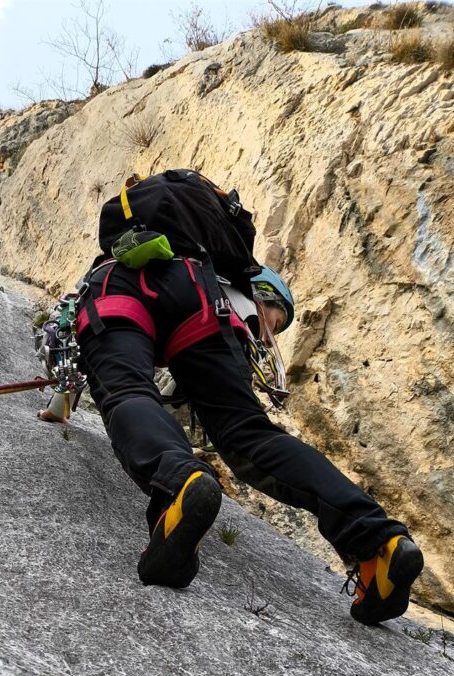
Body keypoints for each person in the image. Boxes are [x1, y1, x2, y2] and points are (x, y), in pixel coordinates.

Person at [38, 169, 424, 626]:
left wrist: (61, 403)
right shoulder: (223, 273)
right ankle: (378, 542)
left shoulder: (124, 251)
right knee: (248, 433)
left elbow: (63, 339)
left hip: (119, 289)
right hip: (200, 297)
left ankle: (180, 486)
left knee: (127, 391)